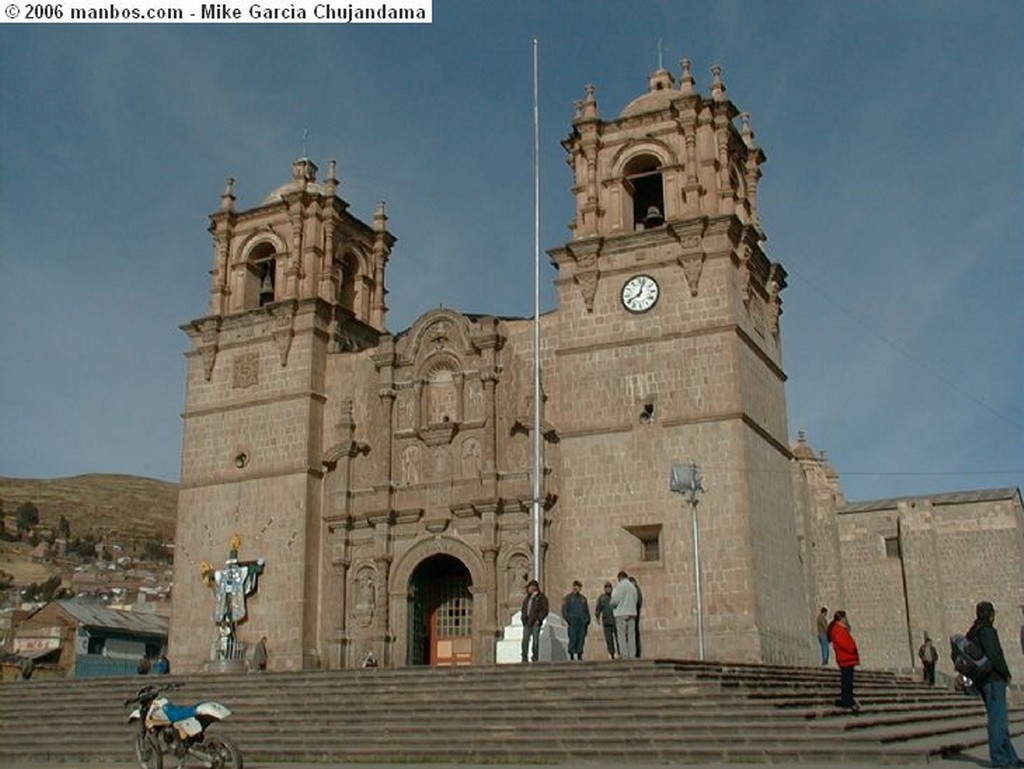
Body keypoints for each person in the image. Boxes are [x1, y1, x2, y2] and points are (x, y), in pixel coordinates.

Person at [967, 600, 1020, 768]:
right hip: (994, 679)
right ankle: (999, 759)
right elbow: (995, 655)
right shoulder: (986, 631)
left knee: (1000, 719)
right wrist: (1006, 673)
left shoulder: (973, 632)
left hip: (984, 681)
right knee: (998, 721)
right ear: (990, 614)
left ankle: (1010, 757)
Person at [828, 610, 860, 711]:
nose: (846, 619)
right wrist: (852, 648)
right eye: (845, 618)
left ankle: (848, 700)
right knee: (847, 681)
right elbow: (844, 643)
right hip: (845, 658)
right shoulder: (838, 629)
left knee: (848, 681)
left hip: (847, 658)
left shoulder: (841, 629)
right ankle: (847, 701)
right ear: (841, 618)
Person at [610, 571, 638, 659]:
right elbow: (636, 600)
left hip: (621, 612)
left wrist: (611, 604)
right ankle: (632, 654)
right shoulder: (633, 587)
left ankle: (624, 654)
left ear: (619, 578)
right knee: (631, 635)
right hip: (632, 612)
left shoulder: (620, 586)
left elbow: (615, 600)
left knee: (621, 634)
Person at [520, 579, 549, 663]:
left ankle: (535, 656)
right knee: (525, 640)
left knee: (535, 641)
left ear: (534, 587)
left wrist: (539, 619)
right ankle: (524, 656)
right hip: (527, 622)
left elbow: (544, 610)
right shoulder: (527, 598)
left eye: (530, 587)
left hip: (536, 622)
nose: (529, 589)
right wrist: (523, 618)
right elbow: (524, 609)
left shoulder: (541, 597)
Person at [561, 580, 590, 661]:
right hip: (573, 621)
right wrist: (568, 619)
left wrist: (587, 619)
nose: (577, 588)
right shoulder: (568, 598)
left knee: (581, 639)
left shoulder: (583, 599)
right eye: (576, 586)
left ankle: (580, 654)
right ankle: (572, 655)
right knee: (573, 638)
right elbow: (564, 610)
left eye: (579, 587)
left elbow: (586, 610)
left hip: (582, 621)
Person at [595, 582, 618, 659]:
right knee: (609, 639)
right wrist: (597, 617)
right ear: (605, 589)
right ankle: (611, 653)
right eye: (606, 587)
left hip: (615, 620)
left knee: (618, 638)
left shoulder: (615, 596)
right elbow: (598, 608)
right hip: (606, 621)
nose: (608, 589)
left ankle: (619, 652)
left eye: (609, 587)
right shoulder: (602, 598)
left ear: (611, 588)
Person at [629, 576, 643, 658]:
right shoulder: (634, 590)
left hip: (634, 612)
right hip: (632, 611)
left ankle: (635, 652)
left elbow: (639, 601)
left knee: (634, 632)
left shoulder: (636, 590)